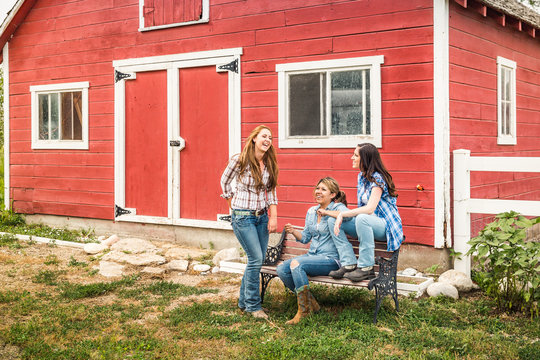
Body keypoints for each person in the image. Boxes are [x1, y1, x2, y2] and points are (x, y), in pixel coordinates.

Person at [220, 125, 279, 319]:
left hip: (261, 217)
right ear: (254, 138)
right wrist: (232, 203)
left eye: (270, 137)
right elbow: (224, 181)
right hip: (243, 217)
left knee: (258, 260)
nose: (268, 140)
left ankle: (244, 302)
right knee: (255, 259)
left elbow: (271, 191)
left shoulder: (269, 162)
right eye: (264, 136)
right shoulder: (240, 159)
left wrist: (273, 216)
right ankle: (254, 306)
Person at [276, 177, 351, 325]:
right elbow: (305, 238)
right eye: (317, 188)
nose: (318, 192)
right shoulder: (311, 211)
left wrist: (327, 213)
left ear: (333, 195)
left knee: (297, 264)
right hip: (313, 256)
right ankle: (311, 303)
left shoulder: (338, 208)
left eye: (323, 189)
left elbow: (349, 215)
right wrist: (293, 231)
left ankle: (303, 311)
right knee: (281, 269)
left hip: (331, 259)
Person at [329, 143, 403, 282]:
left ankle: (366, 268)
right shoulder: (361, 177)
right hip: (366, 223)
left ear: (365, 159)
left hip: (385, 226)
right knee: (332, 219)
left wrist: (343, 214)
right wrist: (340, 215)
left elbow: (370, 209)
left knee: (362, 218)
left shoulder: (378, 178)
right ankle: (349, 263)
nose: (352, 158)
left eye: (356, 155)